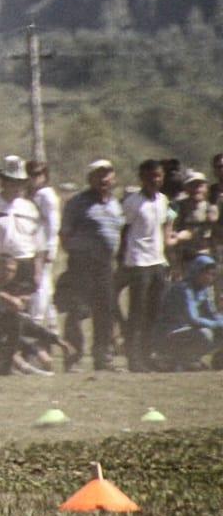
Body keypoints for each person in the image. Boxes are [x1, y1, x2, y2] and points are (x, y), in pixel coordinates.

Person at [58, 159, 126, 371]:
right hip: (82, 263)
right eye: (98, 175)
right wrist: (78, 254)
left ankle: (102, 358)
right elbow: (65, 234)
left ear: (113, 178)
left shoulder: (115, 204)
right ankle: (73, 358)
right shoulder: (77, 202)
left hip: (105, 264)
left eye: (107, 174)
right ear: (90, 179)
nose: (103, 179)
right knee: (78, 310)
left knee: (105, 311)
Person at [118, 158, 177, 373]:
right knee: (137, 312)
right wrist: (123, 260)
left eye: (158, 176)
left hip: (157, 261)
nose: (155, 180)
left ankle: (147, 354)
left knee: (154, 313)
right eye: (150, 176)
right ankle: (133, 359)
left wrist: (167, 259)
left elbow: (164, 228)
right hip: (138, 262)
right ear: (142, 178)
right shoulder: (133, 202)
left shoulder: (163, 200)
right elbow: (123, 230)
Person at [0, 156, 45, 292]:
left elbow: (39, 244)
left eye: (20, 182)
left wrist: (38, 272)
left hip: (24, 263)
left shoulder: (30, 208)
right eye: (12, 181)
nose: (16, 186)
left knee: (22, 306)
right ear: (2, 181)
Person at [154, 254, 223, 371]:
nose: (210, 278)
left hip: (187, 331)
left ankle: (196, 359)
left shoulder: (204, 290)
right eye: (207, 274)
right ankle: (172, 358)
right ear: (197, 272)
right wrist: (217, 324)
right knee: (206, 334)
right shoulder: (183, 289)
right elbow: (193, 319)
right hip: (169, 333)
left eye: (212, 275)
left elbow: (212, 314)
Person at [28, 158, 60, 326]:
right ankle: (52, 325)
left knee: (39, 284)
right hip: (34, 246)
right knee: (46, 287)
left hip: (43, 247)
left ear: (45, 175)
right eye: (30, 174)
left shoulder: (46, 195)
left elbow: (54, 224)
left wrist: (51, 248)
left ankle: (37, 320)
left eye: (37, 174)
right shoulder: (34, 194)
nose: (33, 178)